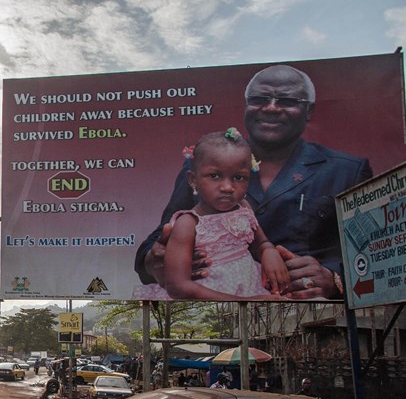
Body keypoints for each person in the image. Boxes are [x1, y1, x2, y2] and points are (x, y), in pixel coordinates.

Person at [135, 65, 372, 300]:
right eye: (259, 98)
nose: (271, 107)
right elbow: (159, 238)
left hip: (310, 315)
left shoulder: (347, 171)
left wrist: (336, 278)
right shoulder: (201, 165)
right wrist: (153, 259)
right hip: (217, 313)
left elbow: (376, 253)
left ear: (308, 110)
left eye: (287, 100)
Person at [134, 129, 290, 300]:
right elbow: (178, 286)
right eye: (215, 176)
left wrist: (269, 252)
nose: (228, 187)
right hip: (209, 299)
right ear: (193, 180)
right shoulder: (187, 223)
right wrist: (244, 302)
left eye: (239, 177)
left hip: (252, 287)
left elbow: (261, 243)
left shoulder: (244, 208)